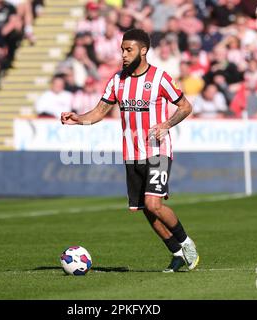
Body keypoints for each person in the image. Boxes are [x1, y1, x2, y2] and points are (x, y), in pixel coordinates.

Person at [61, 29, 199, 272]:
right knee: (146, 210)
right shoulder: (117, 80)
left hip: (157, 150)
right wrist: (78, 119)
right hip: (131, 153)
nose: (123, 55)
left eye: (129, 50)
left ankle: (187, 243)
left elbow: (185, 106)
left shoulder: (160, 78)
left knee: (154, 204)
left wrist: (166, 125)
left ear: (143, 50)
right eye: (122, 50)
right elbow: (99, 111)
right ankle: (176, 253)